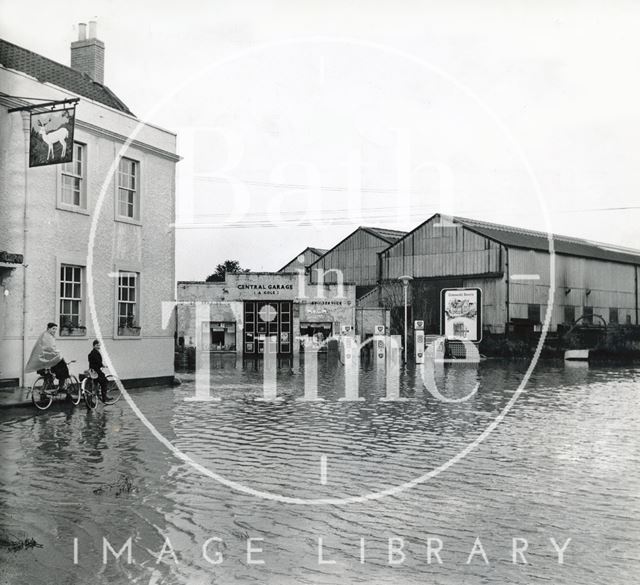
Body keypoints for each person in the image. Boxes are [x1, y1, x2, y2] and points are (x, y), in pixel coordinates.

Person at [25, 322, 70, 390]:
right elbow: (50, 349)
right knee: (63, 366)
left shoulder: (44, 335)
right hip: (45, 360)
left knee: (50, 375)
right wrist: (59, 355)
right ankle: (61, 386)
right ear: (48, 329)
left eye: (55, 329)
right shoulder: (47, 336)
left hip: (42, 359)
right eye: (53, 329)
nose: (55, 331)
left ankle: (45, 391)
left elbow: (49, 349)